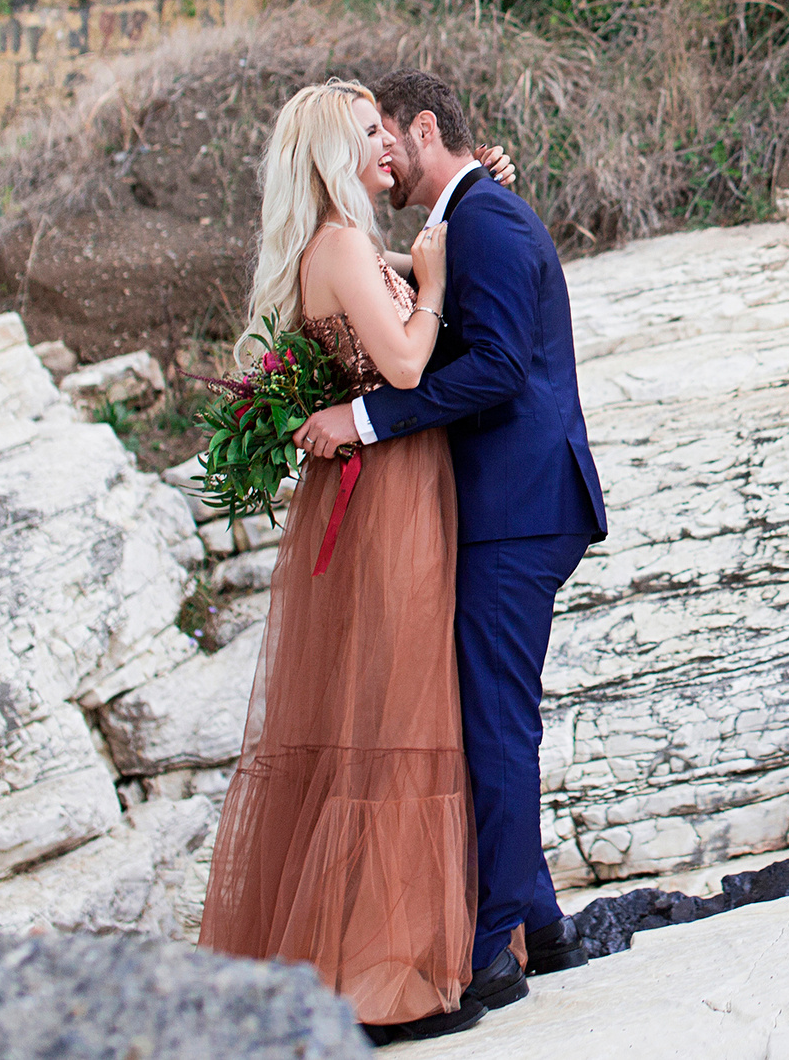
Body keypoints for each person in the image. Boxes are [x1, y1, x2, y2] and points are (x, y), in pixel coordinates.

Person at [198, 80, 507, 1047]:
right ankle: (382, 972)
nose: (386, 143)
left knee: (378, 712)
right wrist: (437, 280)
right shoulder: (337, 243)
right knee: (397, 712)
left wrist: (470, 198)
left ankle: (376, 952)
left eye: (387, 127)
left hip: (382, 484)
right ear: (335, 151)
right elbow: (410, 365)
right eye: (369, 132)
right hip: (389, 496)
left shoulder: (336, 244)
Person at [296, 67, 608, 1007]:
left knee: (493, 725)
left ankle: (489, 953)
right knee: (492, 716)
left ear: (424, 128)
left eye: (387, 133)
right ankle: (542, 925)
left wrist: (369, 419)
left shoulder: (489, 221)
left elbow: (503, 370)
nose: (380, 152)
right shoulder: (464, 219)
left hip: (518, 509)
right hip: (501, 507)